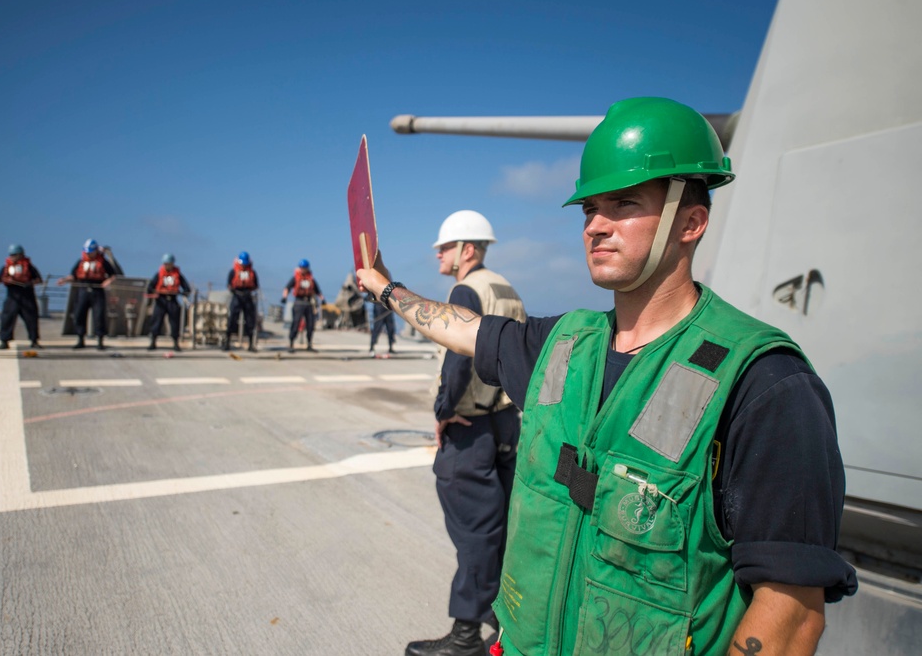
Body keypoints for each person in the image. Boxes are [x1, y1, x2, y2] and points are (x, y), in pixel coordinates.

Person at [358, 98, 857, 656]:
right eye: (588, 209)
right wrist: (385, 287)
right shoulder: (564, 345)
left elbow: (789, 616)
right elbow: (466, 329)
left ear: (691, 222)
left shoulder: (765, 385)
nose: (596, 226)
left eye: (623, 204)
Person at [404, 210, 528, 656]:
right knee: (500, 531)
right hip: (505, 422)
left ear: (467, 250)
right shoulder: (505, 288)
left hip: (471, 426)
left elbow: (459, 356)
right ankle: (504, 625)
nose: (438, 253)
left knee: (475, 533)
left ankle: (464, 638)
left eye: (445, 246)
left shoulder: (466, 290)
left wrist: (443, 410)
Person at [57, 238, 117, 350]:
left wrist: (106, 282)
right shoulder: (81, 261)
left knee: (99, 316)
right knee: (79, 314)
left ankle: (100, 340)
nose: (89, 254)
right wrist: (64, 280)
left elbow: (113, 275)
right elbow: (73, 275)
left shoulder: (103, 261)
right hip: (83, 290)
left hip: (97, 290)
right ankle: (80, 339)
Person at [0, 244, 43, 350]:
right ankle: (4, 341)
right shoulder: (6, 267)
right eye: (11, 255)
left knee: (31, 319)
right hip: (12, 296)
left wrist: (30, 283)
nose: (12, 257)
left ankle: (34, 340)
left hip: (27, 296)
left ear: (21, 254)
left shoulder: (29, 266)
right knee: (7, 318)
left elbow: (39, 279)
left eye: (15, 255)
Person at [146, 253, 191, 352]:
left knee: (175, 322)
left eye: (169, 264)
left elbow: (186, 288)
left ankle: (176, 343)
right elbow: (150, 287)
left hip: (172, 300)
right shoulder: (159, 274)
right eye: (165, 264)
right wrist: (154, 291)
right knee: (156, 321)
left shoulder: (178, 274)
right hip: (161, 301)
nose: (167, 266)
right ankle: (153, 342)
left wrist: (183, 292)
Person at [282, 259, 325, 352]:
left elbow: (318, 291)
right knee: (296, 323)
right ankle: (291, 343)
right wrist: (284, 297)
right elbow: (287, 288)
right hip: (299, 302)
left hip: (309, 303)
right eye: (302, 268)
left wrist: (322, 299)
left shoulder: (311, 279)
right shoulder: (296, 278)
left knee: (310, 324)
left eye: (305, 268)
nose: (303, 270)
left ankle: (309, 344)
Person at [224, 251, 259, 352]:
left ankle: (251, 344)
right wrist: (232, 289)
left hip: (248, 297)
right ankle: (227, 342)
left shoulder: (252, 272)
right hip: (237, 296)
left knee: (250, 321)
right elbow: (229, 283)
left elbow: (256, 285)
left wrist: (250, 291)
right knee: (232, 319)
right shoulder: (233, 271)